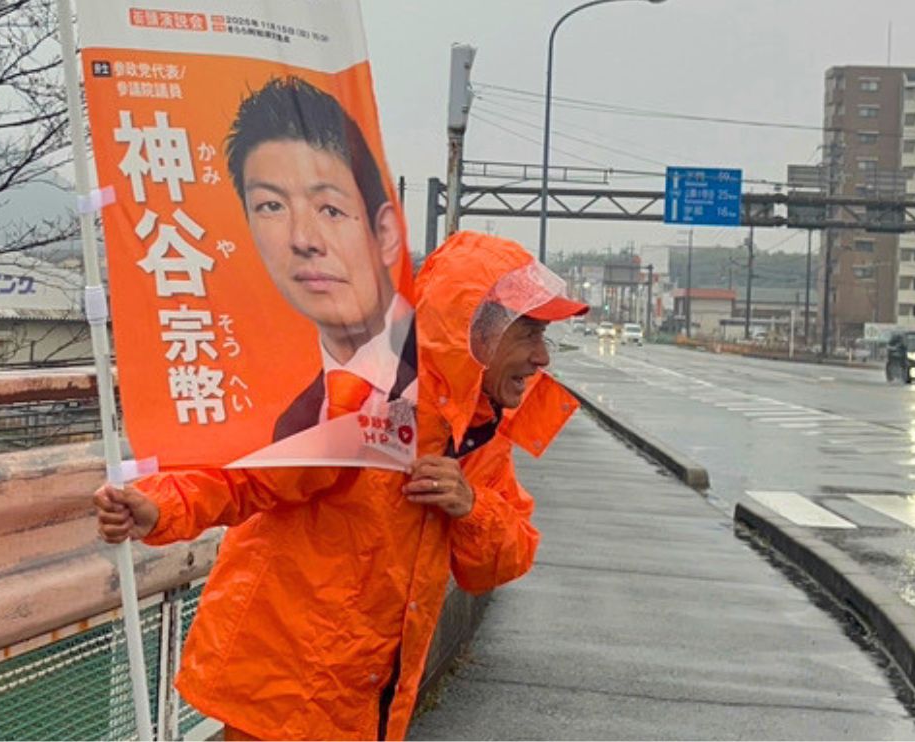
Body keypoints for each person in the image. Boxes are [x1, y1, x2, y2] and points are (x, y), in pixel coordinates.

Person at [93, 230, 588, 740]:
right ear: (475, 328)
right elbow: (248, 469)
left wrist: (471, 506)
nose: (541, 357)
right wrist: (157, 504)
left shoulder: (477, 433)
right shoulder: (361, 395)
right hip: (280, 691)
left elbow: (504, 561)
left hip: (366, 701)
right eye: (529, 334)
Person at [224, 75, 414, 445]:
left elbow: (505, 495)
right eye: (271, 206)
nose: (302, 240)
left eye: (330, 209)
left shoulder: (449, 380)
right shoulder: (290, 414)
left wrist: (466, 500)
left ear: (386, 233)